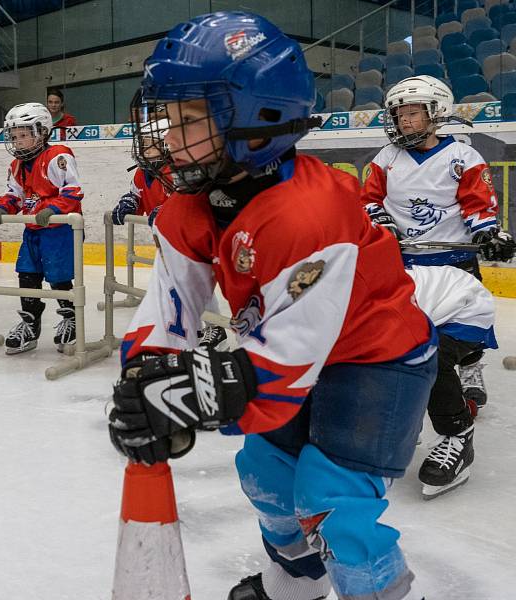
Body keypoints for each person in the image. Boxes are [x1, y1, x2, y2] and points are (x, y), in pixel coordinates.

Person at [107, 12, 437, 600]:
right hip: (300, 352)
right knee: (264, 473)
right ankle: (293, 584)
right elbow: (171, 307)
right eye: (168, 117)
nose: (167, 136)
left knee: (330, 500)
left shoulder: (311, 215)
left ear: (258, 123)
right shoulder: (193, 202)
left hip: (378, 359)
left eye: (190, 119)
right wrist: (144, 376)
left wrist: (182, 397)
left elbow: (281, 370)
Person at [360, 75, 515, 410]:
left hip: (454, 259)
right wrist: (380, 222)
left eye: (413, 113)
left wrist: (487, 233)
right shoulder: (386, 157)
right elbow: (368, 200)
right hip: (405, 260)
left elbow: (478, 204)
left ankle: (472, 365)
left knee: (463, 326)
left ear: (437, 113)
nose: (404, 120)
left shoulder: (462, 156)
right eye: (400, 114)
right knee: (405, 323)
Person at [112, 116, 228, 349]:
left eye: (148, 143)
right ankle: (191, 325)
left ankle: (216, 329)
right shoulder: (142, 172)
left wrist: (166, 210)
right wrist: (129, 203)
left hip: (190, 243)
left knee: (193, 281)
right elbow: (137, 195)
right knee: (176, 286)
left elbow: (187, 200)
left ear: (165, 144)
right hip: (167, 243)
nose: (142, 148)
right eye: (142, 143)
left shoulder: (179, 170)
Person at [0, 102, 83, 354]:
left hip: (60, 230)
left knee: (59, 278)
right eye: (14, 136)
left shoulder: (58, 155)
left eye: (24, 135)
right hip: (33, 230)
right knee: (27, 275)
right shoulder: (17, 165)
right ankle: (30, 323)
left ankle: (70, 319)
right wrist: (3, 208)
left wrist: (54, 209)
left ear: (42, 132)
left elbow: (72, 191)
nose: (17, 141)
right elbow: (15, 195)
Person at [406, 264, 497, 500]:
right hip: (430, 300)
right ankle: (405, 424)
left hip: (465, 307)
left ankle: (458, 434)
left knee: (427, 357)